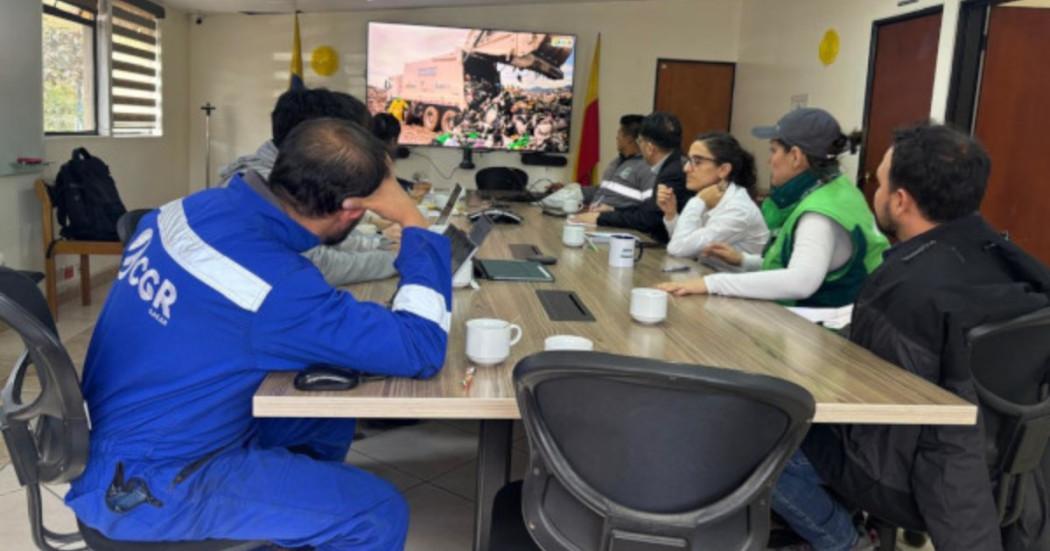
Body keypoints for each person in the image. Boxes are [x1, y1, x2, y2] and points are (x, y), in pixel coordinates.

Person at [65, 118, 451, 550]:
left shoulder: (192, 207)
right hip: (151, 486)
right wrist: (413, 220)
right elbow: (420, 347)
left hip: (123, 432)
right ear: (352, 209)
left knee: (325, 413)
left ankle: (296, 525)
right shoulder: (278, 286)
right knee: (376, 514)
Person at [773, 124, 1050, 551]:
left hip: (902, 477)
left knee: (764, 438)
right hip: (997, 472)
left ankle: (843, 541)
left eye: (881, 182)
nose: (875, 191)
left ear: (900, 201)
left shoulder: (904, 287)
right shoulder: (1015, 264)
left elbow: (861, 394)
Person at [658, 108, 889, 307]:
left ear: (795, 156)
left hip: (830, 329)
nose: (769, 161)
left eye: (773, 151)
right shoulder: (836, 191)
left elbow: (800, 282)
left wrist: (711, 283)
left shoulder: (820, 213)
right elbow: (803, 265)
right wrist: (744, 261)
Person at [220, 87, 399, 286]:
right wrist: (396, 261)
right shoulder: (262, 186)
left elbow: (322, 233)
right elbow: (316, 264)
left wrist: (379, 242)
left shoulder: (294, 173)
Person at [571, 112, 690, 243]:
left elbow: (648, 219)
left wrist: (600, 218)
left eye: (640, 141)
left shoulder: (672, 173)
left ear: (650, 148)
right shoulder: (671, 164)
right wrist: (613, 209)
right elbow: (648, 209)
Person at [659, 132, 769, 258]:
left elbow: (677, 249)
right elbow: (685, 241)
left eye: (697, 162)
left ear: (723, 170)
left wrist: (698, 202)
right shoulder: (712, 196)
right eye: (688, 160)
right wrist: (671, 214)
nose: (686, 168)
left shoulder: (738, 209)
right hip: (705, 269)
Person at [581, 114, 656, 209]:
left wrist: (612, 211)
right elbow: (604, 191)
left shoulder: (647, 167)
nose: (616, 137)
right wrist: (577, 191)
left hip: (613, 218)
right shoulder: (616, 162)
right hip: (593, 214)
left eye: (619, 133)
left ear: (629, 139)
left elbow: (649, 211)